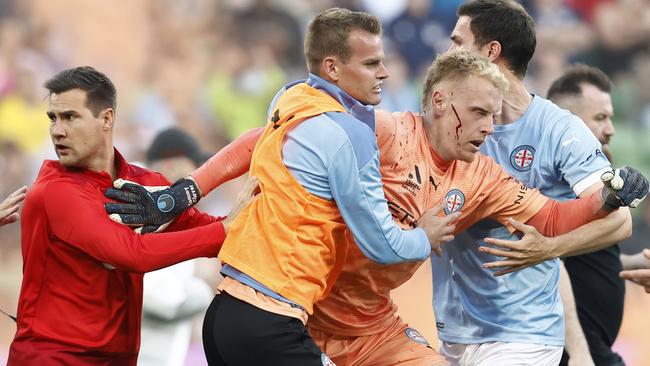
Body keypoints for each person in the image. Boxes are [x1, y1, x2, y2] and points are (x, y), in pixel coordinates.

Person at [107, 50, 649, 365]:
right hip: (302, 308)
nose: (491, 127)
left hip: (372, 324)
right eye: (480, 112)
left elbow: (552, 218)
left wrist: (606, 196)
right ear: (440, 102)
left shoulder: (483, 177)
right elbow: (266, 137)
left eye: (495, 115)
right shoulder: (383, 133)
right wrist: (185, 191)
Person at [107, 8, 455, 365]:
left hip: (223, 315)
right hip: (270, 322)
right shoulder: (348, 135)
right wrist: (422, 237)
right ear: (333, 68)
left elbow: (253, 140)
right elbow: (382, 245)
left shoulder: (290, 98)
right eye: (370, 64)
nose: (383, 72)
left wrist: (184, 192)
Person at [431, 1, 640, 365]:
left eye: (457, 41)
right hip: (454, 330)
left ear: (490, 51)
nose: (448, 52)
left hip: (522, 334)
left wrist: (549, 248)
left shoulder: (559, 129)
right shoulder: (449, 123)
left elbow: (619, 221)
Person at [7, 66, 256, 366]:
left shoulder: (143, 183)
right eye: (53, 118)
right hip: (53, 358)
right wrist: (224, 232)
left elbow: (212, 230)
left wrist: (241, 223)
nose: (57, 130)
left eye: (70, 117)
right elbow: (131, 254)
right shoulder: (54, 192)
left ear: (107, 119)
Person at [546, 64, 625, 366]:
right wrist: (579, 351)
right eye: (600, 118)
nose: (611, 129)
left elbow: (579, 256)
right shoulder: (550, 185)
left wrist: (627, 264)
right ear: (569, 124)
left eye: (611, 118)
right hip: (574, 354)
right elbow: (548, 261)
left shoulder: (587, 186)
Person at [137, 128, 215, 366]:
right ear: (173, 167)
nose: (200, 181)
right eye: (194, 170)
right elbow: (164, 301)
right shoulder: (143, 217)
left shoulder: (175, 219)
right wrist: (206, 289)